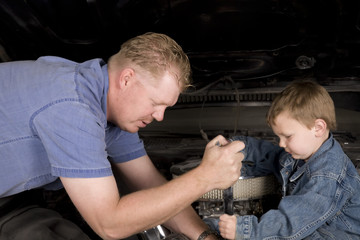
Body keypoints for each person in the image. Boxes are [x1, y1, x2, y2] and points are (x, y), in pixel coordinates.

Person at [0, 32, 245, 240]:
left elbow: (150, 183)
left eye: (166, 108)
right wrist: (204, 177)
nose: (160, 116)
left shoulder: (109, 108)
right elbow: (109, 224)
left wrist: (205, 237)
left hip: (14, 202)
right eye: (155, 103)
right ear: (127, 79)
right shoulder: (72, 107)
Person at [207, 80, 360, 239]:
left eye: (287, 136)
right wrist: (238, 146)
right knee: (213, 226)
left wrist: (246, 230)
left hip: (334, 236)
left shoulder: (328, 176)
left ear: (318, 128)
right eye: (278, 137)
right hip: (312, 230)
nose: (281, 143)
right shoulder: (303, 153)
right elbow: (271, 155)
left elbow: (293, 222)